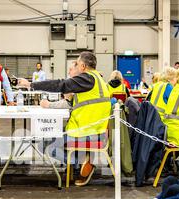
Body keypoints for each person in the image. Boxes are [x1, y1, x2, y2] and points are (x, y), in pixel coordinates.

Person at [18, 51, 111, 186]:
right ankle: (79, 164)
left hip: (85, 131)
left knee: (43, 143)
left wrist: (31, 85)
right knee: (52, 137)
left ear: (83, 66)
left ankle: (77, 163)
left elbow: (60, 84)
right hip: (95, 129)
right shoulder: (98, 79)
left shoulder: (87, 78)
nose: (76, 67)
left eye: (77, 64)